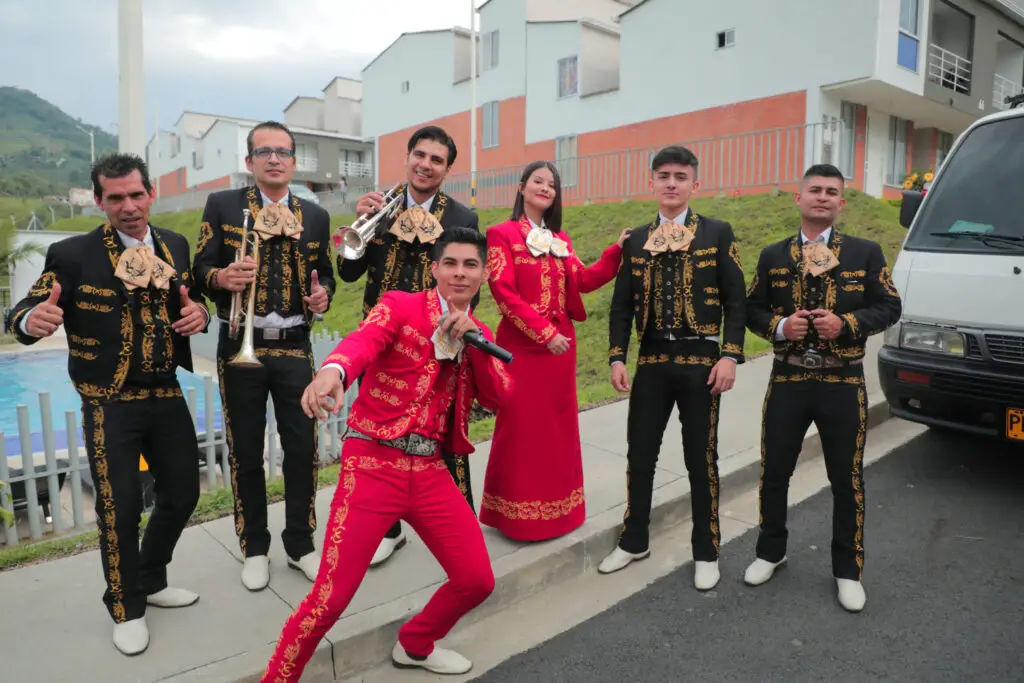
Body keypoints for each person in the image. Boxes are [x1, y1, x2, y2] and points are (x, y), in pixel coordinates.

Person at [260, 227, 512, 681]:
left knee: (477, 580)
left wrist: (474, 344)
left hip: (431, 470)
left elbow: (499, 397)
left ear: (484, 273)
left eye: (470, 265)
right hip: (373, 464)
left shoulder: (480, 333)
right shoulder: (401, 304)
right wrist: (333, 372)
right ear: (434, 268)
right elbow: (361, 343)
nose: (459, 273)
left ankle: (415, 644)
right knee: (330, 600)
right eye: (450, 263)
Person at [3, 154, 209, 655]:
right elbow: (23, 310)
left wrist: (199, 314)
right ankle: (126, 605)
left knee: (183, 493)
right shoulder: (74, 254)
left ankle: (150, 578)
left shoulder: (175, 245)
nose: (129, 206)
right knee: (119, 509)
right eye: (115, 197)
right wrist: (31, 322)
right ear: (99, 201)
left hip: (165, 392)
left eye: (136, 194)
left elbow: (191, 302)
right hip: (109, 401)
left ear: (150, 194)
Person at [743, 163, 901, 612]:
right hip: (789, 378)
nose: (823, 197)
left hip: (843, 379)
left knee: (846, 478)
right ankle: (770, 551)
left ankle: (847, 570)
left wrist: (846, 323)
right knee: (775, 471)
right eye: (815, 189)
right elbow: (751, 308)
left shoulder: (865, 253)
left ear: (841, 202)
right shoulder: (774, 256)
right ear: (799, 198)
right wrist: (778, 326)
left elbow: (890, 306)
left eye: (832, 191)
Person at [192, 121, 336, 592]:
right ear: (250, 161)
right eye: (263, 152)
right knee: (245, 452)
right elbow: (199, 269)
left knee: (302, 449)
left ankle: (300, 545)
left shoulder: (314, 215)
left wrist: (323, 298)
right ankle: (254, 546)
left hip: (294, 345)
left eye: (282, 152)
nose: (274, 159)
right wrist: (221, 279)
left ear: (294, 162)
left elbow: (327, 277)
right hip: (240, 343)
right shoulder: (224, 205)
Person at [598, 145, 747, 592]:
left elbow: (737, 299)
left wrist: (731, 354)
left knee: (700, 458)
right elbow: (621, 304)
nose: (671, 183)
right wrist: (617, 356)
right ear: (651, 182)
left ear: (694, 184)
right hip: (653, 362)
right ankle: (634, 539)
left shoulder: (718, 232)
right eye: (663, 175)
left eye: (680, 176)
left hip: (702, 362)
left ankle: (706, 549)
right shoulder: (637, 239)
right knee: (640, 454)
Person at [338, 124, 480, 567]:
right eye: (420, 155)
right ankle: (389, 529)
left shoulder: (463, 216)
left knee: (443, 432)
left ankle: (459, 523)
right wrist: (359, 224)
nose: (426, 165)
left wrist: (460, 324)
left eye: (437, 160)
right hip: (381, 342)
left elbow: (469, 280)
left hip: (437, 342)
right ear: (408, 157)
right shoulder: (379, 207)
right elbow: (346, 275)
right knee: (380, 437)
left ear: (447, 169)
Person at [479, 160, 626, 541]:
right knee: (522, 429)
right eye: (538, 181)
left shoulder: (561, 241)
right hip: (522, 349)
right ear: (522, 187)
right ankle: (516, 516)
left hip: (561, 352)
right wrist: (544, 333)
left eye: (552, 184)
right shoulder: (501, 234)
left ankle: (559, 513)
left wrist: (616, 253)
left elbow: (584, 281)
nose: (545, 188)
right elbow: (503, 293)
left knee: (557, 430)